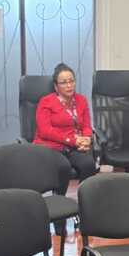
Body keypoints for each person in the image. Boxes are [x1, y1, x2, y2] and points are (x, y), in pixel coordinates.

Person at [33, 62, 98, 194]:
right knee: (64, 167)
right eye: (63, 82)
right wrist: (72, 140)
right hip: (51, 147)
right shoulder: (46, 102)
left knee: (89, 164)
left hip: (73, 147)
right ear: (56, 87)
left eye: (71, 81)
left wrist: (87, 139)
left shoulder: (81, 100)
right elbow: (45, 131)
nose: (69, 85)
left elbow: (86, 126)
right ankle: (59, 199)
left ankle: (84, 197)